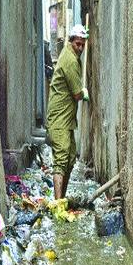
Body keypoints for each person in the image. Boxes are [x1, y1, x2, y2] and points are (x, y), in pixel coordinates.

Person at [46, 24, 89, 199]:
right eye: (77, 44)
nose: (80, 48)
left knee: (71, 158)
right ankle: (58, 204)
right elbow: (77, 94)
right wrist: (84, 92)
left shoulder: (70, 55)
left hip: (67, 119)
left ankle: (61, 199)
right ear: (71, 41)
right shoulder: (70, 61)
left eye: (82, 45)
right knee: (62, 159)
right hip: (59, 118)